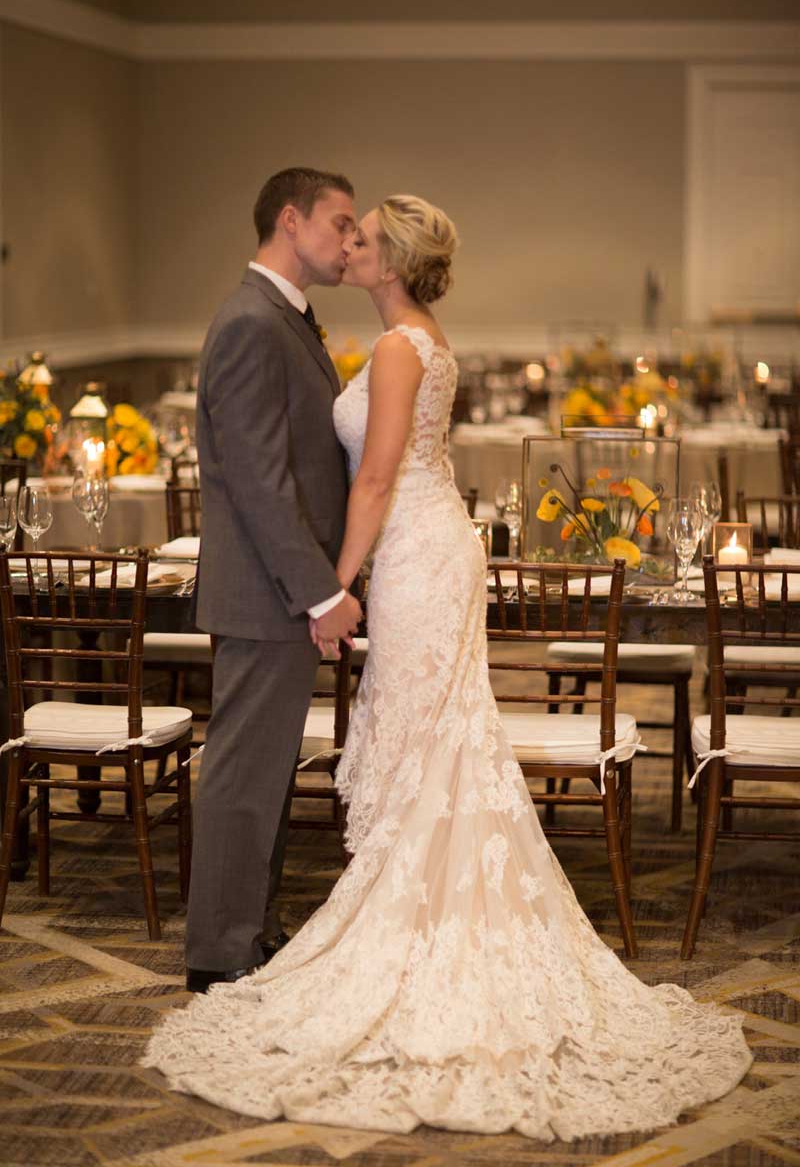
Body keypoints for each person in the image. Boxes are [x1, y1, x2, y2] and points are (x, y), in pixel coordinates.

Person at [145, 195, 752, 1138]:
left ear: (391, 262)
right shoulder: (420, 340)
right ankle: (427, 913)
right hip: (426, 551)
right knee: (431, 741)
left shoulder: (401, 349)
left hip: (416, 557)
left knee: (427, 739)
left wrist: (333, 586)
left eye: (363, 238)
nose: (350, 245)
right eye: (347, 230)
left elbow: (377, 478)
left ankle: (422, 929)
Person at [183, 168, 362, 994]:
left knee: (264, 776)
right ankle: (219, 951)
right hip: (266, 592)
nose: (349, 239)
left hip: (276, 592)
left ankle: (245, 931)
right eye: (339, 221)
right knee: (242, 775)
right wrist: (321, 591)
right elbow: (259, 481)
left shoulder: (282, 317)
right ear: (291, 220)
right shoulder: (252, 322)